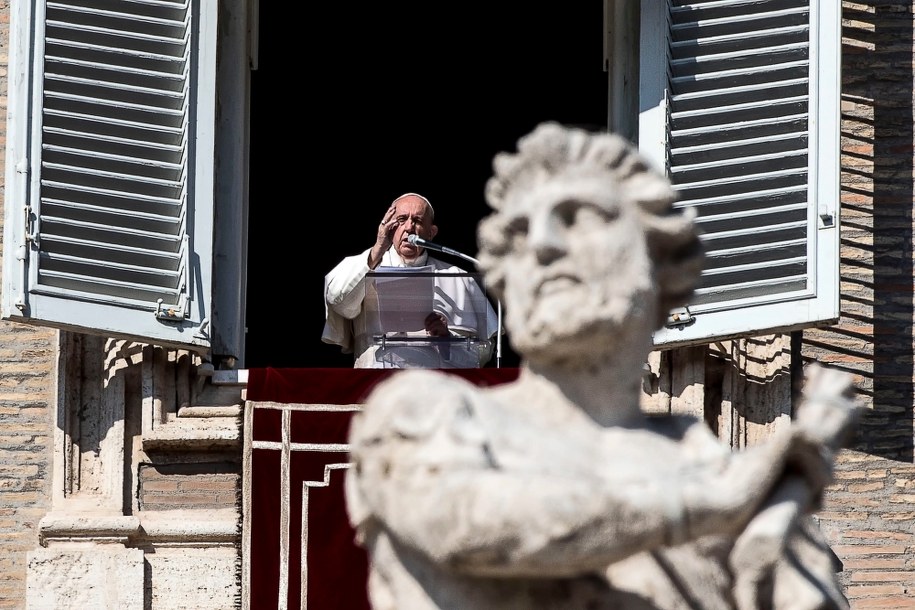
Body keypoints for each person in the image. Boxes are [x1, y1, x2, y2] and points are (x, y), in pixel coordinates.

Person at [344, 123, 860, 608]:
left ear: (658, 267)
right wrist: (717, 501)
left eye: (580, 218)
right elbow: (468, 525)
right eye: (520, 232)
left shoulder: (733, 479)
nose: (543, 244)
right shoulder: (422, 417)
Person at [322, 192, 499, 368]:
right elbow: (339, 301)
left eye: (418, 221)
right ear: (389, 226)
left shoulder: (458, 277)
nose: (409, 227)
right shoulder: (364, 266)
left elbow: (484, 351)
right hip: (376, 386)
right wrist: (377, 250)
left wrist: (447, 341)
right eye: (401, 220)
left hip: (434, 388)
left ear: (431, 232)